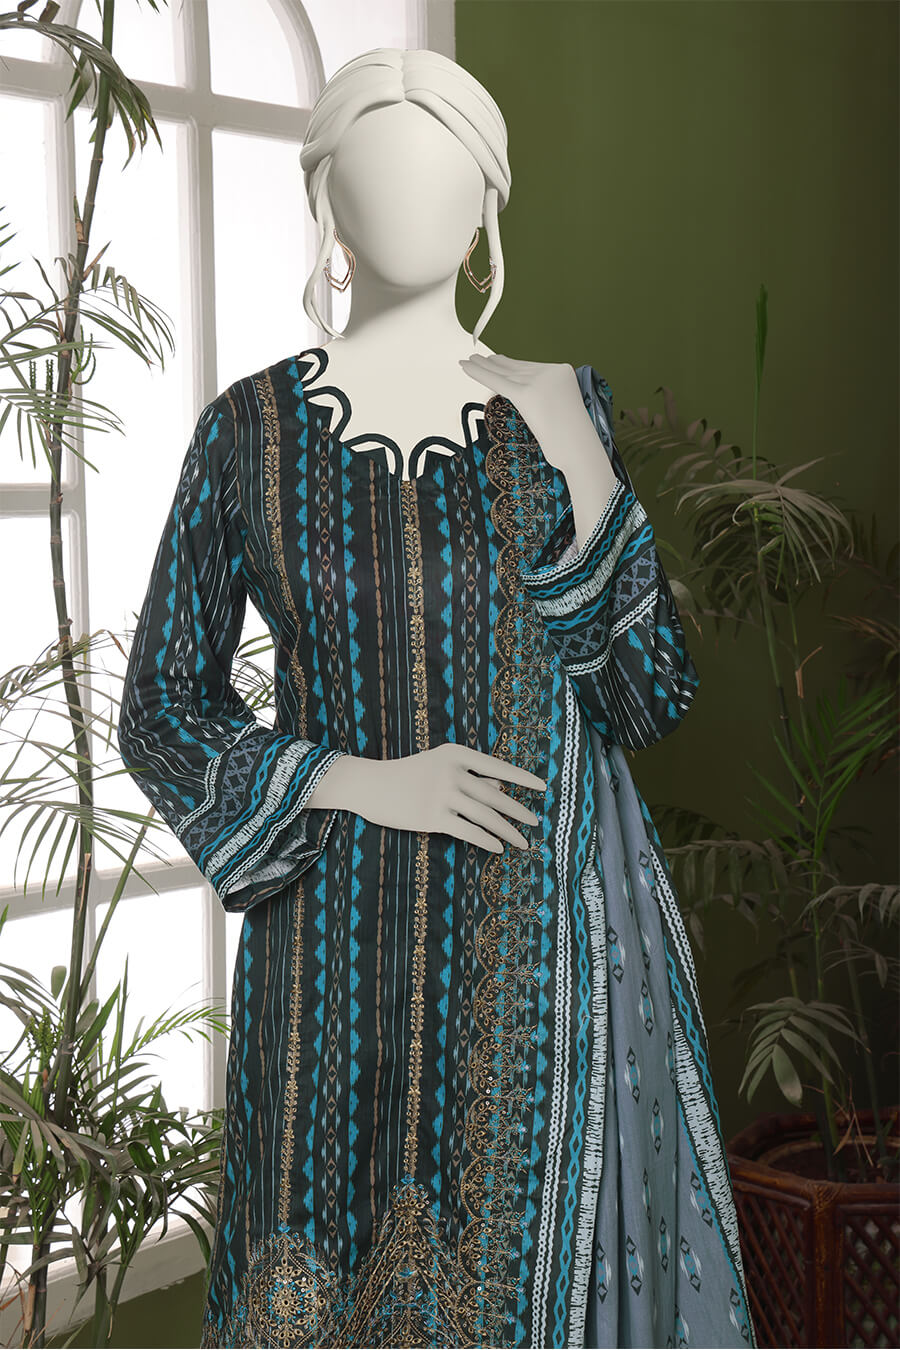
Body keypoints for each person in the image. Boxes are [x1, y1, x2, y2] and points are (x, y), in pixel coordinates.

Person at [117, 45, 755, 1350]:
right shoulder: (247, 434)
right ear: (327, 206)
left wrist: (581, 461)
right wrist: (356, 779)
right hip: (327, 945)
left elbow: (648, 696)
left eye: (443, 172)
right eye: (377, 169)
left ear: (485, 218)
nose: (410, 197)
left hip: (537, 955)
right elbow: (162, 705)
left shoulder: (559, 412)